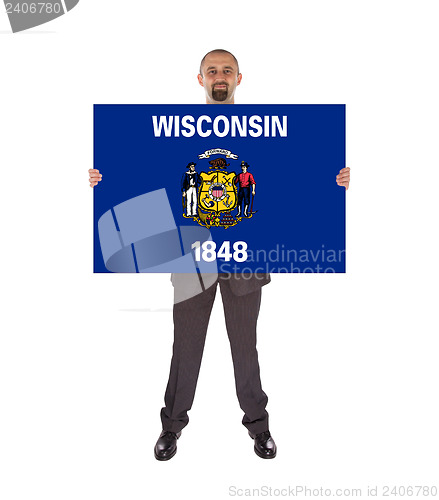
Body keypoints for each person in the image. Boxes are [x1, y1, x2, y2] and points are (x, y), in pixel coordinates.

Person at [88, 49, 351, 461]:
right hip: (191, 263)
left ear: (239, 79)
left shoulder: (266, 134)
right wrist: (108, 178)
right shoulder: (172, 134)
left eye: (227, 70)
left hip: (245, 263)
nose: (219, 76)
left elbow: (292, 178)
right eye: (212, 70)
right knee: (186, 348)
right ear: (200, 80)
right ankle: (171, 427)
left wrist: (330, 180)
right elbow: (144, 175)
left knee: (245, 349)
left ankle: (258, 427)